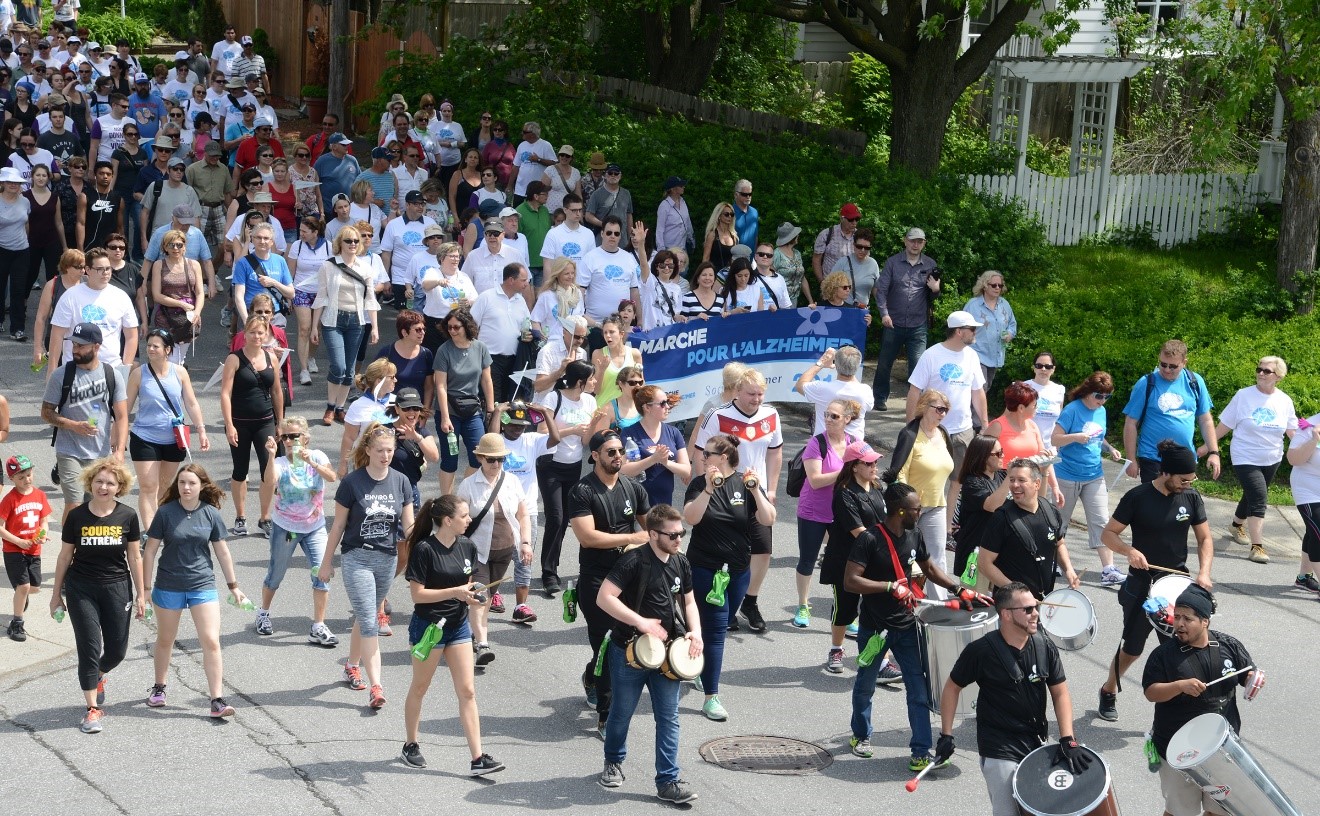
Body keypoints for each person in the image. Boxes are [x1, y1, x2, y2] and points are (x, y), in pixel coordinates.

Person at [845, 480, 982, 769]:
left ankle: (920, 751)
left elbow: (930, 568)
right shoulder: (869, 539)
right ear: (900, 511)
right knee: (866, 685)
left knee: (918, 690)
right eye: (916, 509)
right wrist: (888, 587)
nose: (921, 512)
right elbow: (851, 580)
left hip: (907, 626)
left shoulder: (914, 533)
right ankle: (860, 735)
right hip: (875, 629)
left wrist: (959, 589)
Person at [936, 581, 1084, 816]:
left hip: (1035, 743)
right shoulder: (981, 651)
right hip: (998, 747)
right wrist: (947, 734)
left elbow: (1060, 692)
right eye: (1027, 609)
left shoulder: (1044, 646)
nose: (1035, 613)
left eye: (1035, 607)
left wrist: (1068, 739)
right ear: (1006, 614)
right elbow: (953, 687)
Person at [1098, 440, 1214, 722]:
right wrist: (1129, 551)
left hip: (1177, 584)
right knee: (1133, 649)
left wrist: (1204, 572)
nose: (1188, 483)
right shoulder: (1137, 497)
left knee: (1180, 646)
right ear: (1166, 473)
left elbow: (1204, 538)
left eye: (1191, 479)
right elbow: (1108, 534)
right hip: (1142, 585)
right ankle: (1109, 689)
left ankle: (1179, 705)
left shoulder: (1191, 498)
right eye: (1184, 479)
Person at [596, 503, 700, 805]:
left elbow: (689, 602)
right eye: (673, 535)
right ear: (653, 534)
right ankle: (613, 760)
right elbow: (605, 597)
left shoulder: (681, 562)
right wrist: (640, 621)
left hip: (666, 655)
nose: (679, 539)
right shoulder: (633, 562)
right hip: (630, 651)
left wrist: (696, 633)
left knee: (669, 718)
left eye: (682, 533)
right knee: (621, 713)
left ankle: (667, 781)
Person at [399, 495, 505, 775]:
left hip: (458, 626)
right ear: (448, 520)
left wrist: (472, 596)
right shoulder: (424, 549)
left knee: (468, 691)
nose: (469, 520)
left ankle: (478, 757)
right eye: (464, 516)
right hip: (429, 627)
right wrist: (455, 593)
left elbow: (467, 584)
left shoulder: (467, 546)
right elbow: (418, 596)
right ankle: (411, 744)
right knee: (420, 687)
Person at [1143, 585, 1262, 816]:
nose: (1179, 624)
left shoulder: (1230, 646)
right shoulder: (1164, 655)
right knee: (1179, 811)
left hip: (1220, 748)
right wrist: (1179, 686)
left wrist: (1252, 679)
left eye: (1187, 618)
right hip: (1176, 748)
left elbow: (1248, 673)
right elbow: (1151, 692)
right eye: (1176, 617)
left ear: (1205, 621)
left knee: (1221, 809)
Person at [319, 423, 415, 709]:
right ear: (368, 451)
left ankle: (351, 665)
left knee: (366, 614)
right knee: (371, 620)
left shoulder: (401, 481)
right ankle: (377, 686)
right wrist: (326, 564)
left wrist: (427, 542)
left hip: (387, 558)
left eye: (390, 450)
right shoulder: (353, 483)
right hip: (357, 556)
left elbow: (408, 526)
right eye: (380, 451)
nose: (386, 456)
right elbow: (337, 525)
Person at [141, 465, 245, 718]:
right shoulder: (165, 513)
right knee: (166, 639)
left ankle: (217, 700)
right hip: (169, 585)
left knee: (210, 641)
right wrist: (144, 589)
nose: (186, 488)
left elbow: (222, 551)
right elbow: (151, 550)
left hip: (202, 585)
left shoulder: (210, 514)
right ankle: (159, 687)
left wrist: (234, 586)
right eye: (182, 483)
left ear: (202, 486)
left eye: (191, 483)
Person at [47, 457, 142, 734]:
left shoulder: (127, 516)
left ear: (119, 487)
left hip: (117, 587)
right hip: (82, 589)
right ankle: (91, 710)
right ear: (90, 482)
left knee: (116, 651)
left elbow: (135, 557)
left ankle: (99, 674)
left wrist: (142, 593)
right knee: (88, 647)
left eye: (110, 483)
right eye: (99, 481)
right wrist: (56, 595)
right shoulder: (77, 516)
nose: (103, 486)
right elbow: (65, 556)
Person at [569, 429, 651, 735]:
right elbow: (587, 538)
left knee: (623, 641)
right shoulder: (582, 491)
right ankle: (606, 713)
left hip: (629, 578)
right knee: (605, 644)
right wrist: (631, 537)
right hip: (596, 578)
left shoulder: (632, 487)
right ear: (595, 456)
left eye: (621, 451)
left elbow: (650, 525)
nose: (619, 457)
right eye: (611, 452)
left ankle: (592, 675)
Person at [694, 368, 782, 632]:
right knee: (730, 551)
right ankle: (729, 603)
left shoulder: (771, 415)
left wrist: (772, 488)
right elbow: (700, 451)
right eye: (751, 394)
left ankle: (750, 602)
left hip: (756, 491)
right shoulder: (718, 415)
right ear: (737, 391)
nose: (756, 399)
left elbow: (775, 454)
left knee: (763, 550)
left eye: (760, 394)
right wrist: (704, 486)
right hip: (723, 491)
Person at [256, 415, 339, 645]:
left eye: (295, 436)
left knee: (322, 572)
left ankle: (318, 626)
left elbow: (332, 477)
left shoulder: (318, 456)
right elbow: (268, 481)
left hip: (314, 527)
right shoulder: (281, 463)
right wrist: (272, 456)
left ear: (306, 438)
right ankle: (263, 613)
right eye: (285, 437)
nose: (290, 441)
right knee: (276, 572)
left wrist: (312, 463)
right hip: (287, 528)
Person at [1207, 356, 1297, 564]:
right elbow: (1225, 424)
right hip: (1245, 455)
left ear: (1278, 377)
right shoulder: (1243, 395)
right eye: (1259, 369)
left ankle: (1236, 525)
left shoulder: (1284, 400)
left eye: (1267, 371)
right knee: (1259, 497)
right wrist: (1207, 447)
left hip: (1272, 456)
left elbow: (1292, 431)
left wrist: (1310, 446)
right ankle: (1257, 547)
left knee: (1252, 494)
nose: (1260, 373)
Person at [455, 433, 532, 665]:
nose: (496, 464)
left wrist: (525, 543)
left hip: (505, 550)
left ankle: (469, 632)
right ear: (480, 458)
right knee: (481, 597)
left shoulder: (512, 482)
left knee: (486, 599)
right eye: (491, 459)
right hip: (477, 551)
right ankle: (482, 644)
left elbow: (523, 514)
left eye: (500, 459)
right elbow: (458, 520)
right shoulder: (468, 485)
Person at [41, 322, 128, 524]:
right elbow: (46, 412)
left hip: (99, 453)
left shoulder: (111, 375)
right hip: (68, 450)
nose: (75, 349)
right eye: (74, 344)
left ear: (96, 347)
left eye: (81, 345)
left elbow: (122, 416)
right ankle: (68, 549)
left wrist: (120, 451)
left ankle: (86, 550)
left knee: (95, 506)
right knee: (75, 504)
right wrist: (73, 425)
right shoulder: (61, 375)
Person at [126, 328, 208, 537]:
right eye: (149, 345)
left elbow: (190, 402)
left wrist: (201, 429)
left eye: (156, 346)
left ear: (168, 350)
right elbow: (124, 408)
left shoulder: (179, 373)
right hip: (144, 437)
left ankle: (161, 525)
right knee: (148, 486)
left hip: (174, 437)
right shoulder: (138, 374)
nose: (151, 349)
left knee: (164, 486)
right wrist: (117, 434)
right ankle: (151, 532)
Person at [1051, 371, 1126, 587]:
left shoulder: (1101, 411)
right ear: (1087, 392)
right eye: (1098, 396)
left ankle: (1108, 570)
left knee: (1101, 521)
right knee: (1058, 522)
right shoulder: (1072, 410)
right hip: (1067, 475)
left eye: (1106, 397)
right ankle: (1052, 562)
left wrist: (1110, 448)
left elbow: (1098, 438)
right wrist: (1075, 437)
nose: (1101, 401)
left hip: (1094, 475)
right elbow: (1055, 438)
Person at [793, 399, 860, 628]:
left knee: (844, 562)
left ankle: (845, 611)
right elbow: (815, 480)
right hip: (813, 510)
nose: (828, 419)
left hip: (842, 513)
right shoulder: (817, 443)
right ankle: (803, 605)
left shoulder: (855, 444)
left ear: (847, 420)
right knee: (808, 560)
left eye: (835, 416)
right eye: (827, 415)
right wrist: (845, 471)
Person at [821, 441, 886, 674]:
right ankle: (836, 649)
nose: (874, 466)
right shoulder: (844, 493)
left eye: (875, 462)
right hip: (846, 560)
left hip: (874, 558)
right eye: (868, 463)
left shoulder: (877, 487)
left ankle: (880, 659)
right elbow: (858, 531)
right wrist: (883, 549)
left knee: (878, 608)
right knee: (845, 609)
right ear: (854, 466)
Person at [887, 389, 956, 597]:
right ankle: (893, 599)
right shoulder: (909, 435)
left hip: (936, 505)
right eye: (939, 409)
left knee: (936, 558)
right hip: (910, 508)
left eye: (946, 410)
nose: (943, 414)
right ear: (924, 407)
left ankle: (940, 609)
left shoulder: (943, 434)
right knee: (902, 555)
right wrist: (907, 506)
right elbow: (900, 472)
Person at [219, 314, 283, 537]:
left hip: (265, 422)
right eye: (253, 332)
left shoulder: (271, 358)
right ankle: (240, 516)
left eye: (261, 333)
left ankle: (265, 517)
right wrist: (229, 425)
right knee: (240, 471)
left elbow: (276, 391)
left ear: (267, 335)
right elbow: (225, 393)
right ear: (244, 334)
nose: (257, 336)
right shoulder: (234, 359)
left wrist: (280, 421)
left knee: (270, 472)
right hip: (240, 423)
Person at [1122, 339, 1219, 483]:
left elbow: (1205, 420)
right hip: (1152, 457)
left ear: (1184, 362)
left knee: (1181, 504)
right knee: (1155, 504)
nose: (1167, 370)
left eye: (1173, 366)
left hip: (1184, 458)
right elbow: (1131, 423)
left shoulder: (1195, 382)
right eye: (1163, 364)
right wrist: (1131, 459)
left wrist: (1214, 452)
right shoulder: (1146, 383)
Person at [537, 360, 597, 594]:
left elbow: (584, 442)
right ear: (580, 382)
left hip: (574, 466)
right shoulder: (554, 398)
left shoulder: (590, 401)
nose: (594, 383)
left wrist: (591, 428)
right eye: (591, 379)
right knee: (555, 517)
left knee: (568, 520)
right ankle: (548, 573)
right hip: (550, 464)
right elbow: (543, 433)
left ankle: (555, 565)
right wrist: (571, 430)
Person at [311, 225, 380, 425]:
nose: (352, 244)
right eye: (348, 241)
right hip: (333, 320)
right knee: (338, 366)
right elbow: (321, 296)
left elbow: (370, 299)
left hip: (356, 321)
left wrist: (374, 327)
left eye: (356, 241)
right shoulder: (328, 266)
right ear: (339, 243)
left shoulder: (365, 267)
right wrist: (315, 326)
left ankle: (340, 407)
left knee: (350, 371)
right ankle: (330, 406)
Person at [979, 458, 1078, 598]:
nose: (1014, 485)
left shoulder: (1050, 511)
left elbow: (1059, 543)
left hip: (1045, 600)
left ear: (1037, 484)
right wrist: (1016, 592)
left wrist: (1068, 569)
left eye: (1021, 480)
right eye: (1012, 480)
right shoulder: (1001, 518)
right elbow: (984, 563)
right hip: (1012, 603)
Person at [906, 310, 987, 479]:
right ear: (959, 332)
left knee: (960, 480)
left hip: (963, 430)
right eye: (971, 328)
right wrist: (911, 427)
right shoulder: (931, 355)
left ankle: (952, 508)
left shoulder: (972, 356)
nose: (975, 332)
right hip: (931, 428)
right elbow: (914, 391)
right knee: (929, 479)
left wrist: (985, 424)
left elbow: (978, 392)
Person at [874, 226, 941, 409]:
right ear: (905, 241)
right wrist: (884, 314)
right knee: (885, 362)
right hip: (892, 322)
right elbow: (881, 291)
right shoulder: (893, 263)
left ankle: (917, 403)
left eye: (919, 241)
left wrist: (936, 290)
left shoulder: (930, 264)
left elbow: (932, 296)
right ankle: (879, 398)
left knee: (918, 364)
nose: (915, 244)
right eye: (912, 240)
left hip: (918, 324)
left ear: (924, 244)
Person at [433, 307, 494, 495]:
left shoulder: (480, 347)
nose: (452, 331)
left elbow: (486, 379)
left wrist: (491, 408)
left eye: (456, 327)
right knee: (450, 459)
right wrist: (444, 417)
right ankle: (446, 499)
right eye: (449, 327)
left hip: (472, 410)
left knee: (479, 456)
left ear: (466, 327)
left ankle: (463, 494)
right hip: (449, 411)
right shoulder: (444, 350)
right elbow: (440, 386)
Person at [48, 246, 139, 369]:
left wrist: (125, 368)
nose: (105, 272)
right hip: (75, 368)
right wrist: (52, 371)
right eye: (99, 269)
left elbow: (131, 335)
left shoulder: (121, 296)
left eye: (108, 268)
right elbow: (57, 335)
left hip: (111, 369)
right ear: (88, 270)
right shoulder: (70, 296)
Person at [984, 381, 1062, 505]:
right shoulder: (997, 427)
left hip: (1028, 483)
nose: (1037, 408)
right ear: (1021, 408)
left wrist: (1055, 487)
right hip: (1003, 483)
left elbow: (1044, 458)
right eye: (1034, 405)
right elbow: (981, 458)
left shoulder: (1032, 425)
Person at [2, 455, 52, 643]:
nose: (26, 480)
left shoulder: (39, 495)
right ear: (12, 479)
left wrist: (44, 533)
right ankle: (17, 623)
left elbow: (44, 520)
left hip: (34, 550)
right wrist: (18, 541)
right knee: (23, 586)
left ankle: (21, 597)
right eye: (21, 477)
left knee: (34, 587)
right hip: (14, 549)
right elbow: (0, 526)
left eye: (29, 475)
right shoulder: (10, 499)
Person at [470, 261, 532, 404]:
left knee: (509, 401)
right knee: (492, 401)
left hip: (514, 360)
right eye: (523, 280)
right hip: (489, 359)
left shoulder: (521, 300)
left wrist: (528, 336)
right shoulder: (486, 297)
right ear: (511, 280)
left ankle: (503, 428)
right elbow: (471, 326)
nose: (526, 284)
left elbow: (526, 327)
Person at [620, 385, 690, 508]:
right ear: (647, 407)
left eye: (667, 402)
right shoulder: (629, 433)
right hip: (637, 506)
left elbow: (686, 471)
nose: (667, 407)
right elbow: (623, 470)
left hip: (664, 505)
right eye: (662, 403)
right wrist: (653, 459)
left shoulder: (674, 432)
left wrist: (665, 462)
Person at [795, 344, 872, 438]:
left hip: (824, 447)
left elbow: (799, 385)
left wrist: (821, 362)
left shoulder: (822, 388)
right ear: (858, 364)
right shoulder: (865, 391)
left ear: (836, 364)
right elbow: (869, 407)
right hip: (853, 449)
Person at [963, 270, 1016, 392]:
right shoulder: (973, 305)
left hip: (995, 355)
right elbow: (962, 326)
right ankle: (974, 411)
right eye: (994, 285)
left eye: (1000, 285)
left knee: (985, 388)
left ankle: (972, 411)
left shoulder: (1005, 305)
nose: (997, 288)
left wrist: (1010, 334)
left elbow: (1012, 324)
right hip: (977, 354)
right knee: (980, 389)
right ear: (985, 286)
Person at [1287, 403, 1320, 593]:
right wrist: (1314, 439)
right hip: (1308, 488)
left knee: (1313, 530)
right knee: (1318, 531)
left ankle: (1303, 578)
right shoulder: (1309, 426)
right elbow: (1293, 459)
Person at [0, 165, 30, 338]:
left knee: (18, 290)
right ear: (3, 182)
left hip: (22, 251)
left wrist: (26, 240)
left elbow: (26, 223)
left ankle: (17, 329)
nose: (14, 184)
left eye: (17, 182)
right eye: (10, 181)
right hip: (1, 250)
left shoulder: (25, 201)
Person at [508, 121, 555, 204]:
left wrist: (538, 160)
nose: (522, 133)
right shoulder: (521, 145)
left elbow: (553, 163)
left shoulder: (545, 145)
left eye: (525, 132)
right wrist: (510, 185)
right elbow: (516, 166)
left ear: (533, 134)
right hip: (520, 190)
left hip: (537, 190)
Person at [638, 248, 684, 330]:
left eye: (670, 265)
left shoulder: (677, 289)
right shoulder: (650, 281)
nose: (667, 268)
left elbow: (675, 314)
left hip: (670, 334)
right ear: (656, 267)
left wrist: (680, 317)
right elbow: (643, 264)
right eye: (662, 265)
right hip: (650, 333)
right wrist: (641, 242)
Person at [1026, 351, 1065, 442]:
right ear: (1034, 368)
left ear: (1053, 369)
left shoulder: (1059, 390)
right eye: (1039, 366)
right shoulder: (1023, 387)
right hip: (1026, 444)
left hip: (1050, 448)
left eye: (1048, 367)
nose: (1043, 369)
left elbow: (1059, 421)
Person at [701, 201, 737, 278]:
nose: (730, 217)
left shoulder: (733, 236)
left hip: (729, 276)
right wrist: (705, 275)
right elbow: (705, 258)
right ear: (719, 216)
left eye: (732, 214)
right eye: (726, 214)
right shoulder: (712, 234)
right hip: (714, 274)